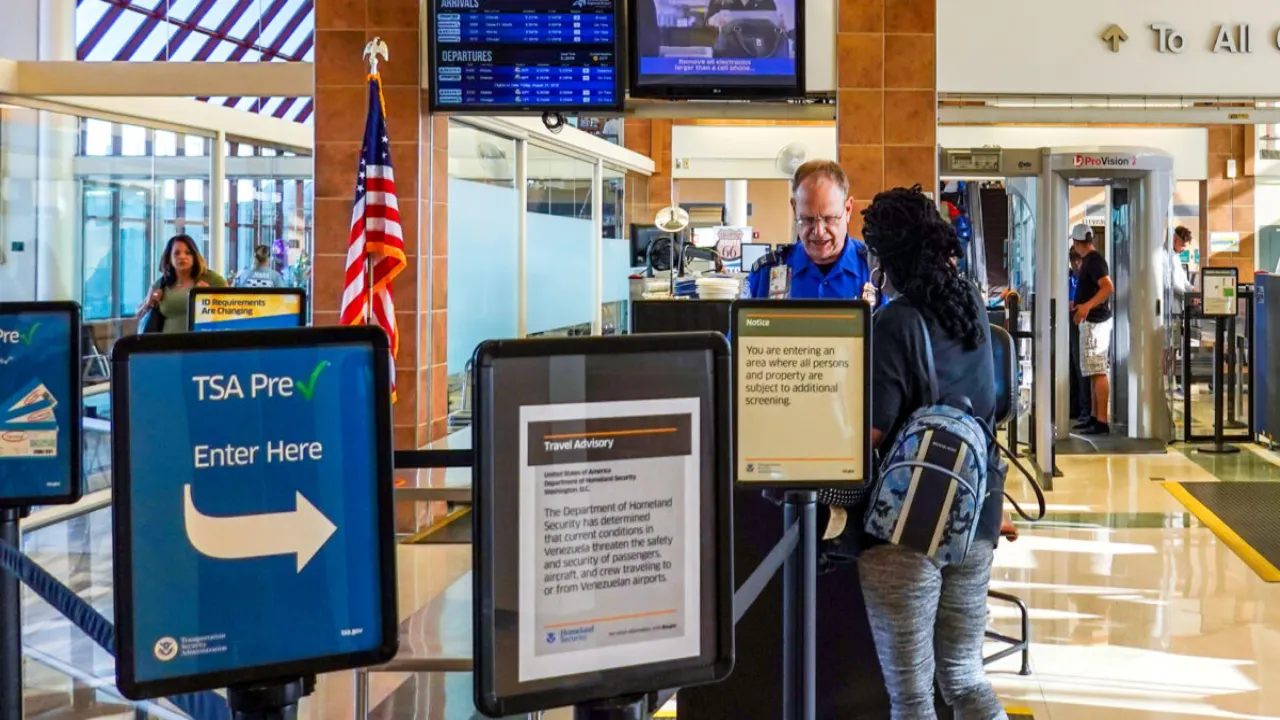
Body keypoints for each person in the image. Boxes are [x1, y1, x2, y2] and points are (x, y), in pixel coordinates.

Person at [855, 186, 1006, 720]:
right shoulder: (970, 305)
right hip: (976, 510)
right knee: (965, 677)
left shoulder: (894, 322)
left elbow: (870, 436)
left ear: (884, 257)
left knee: (913, 697)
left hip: (908, 527)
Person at [746, 159, 874, 302]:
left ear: (848, 209)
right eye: (808, 219)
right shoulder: (766, 272)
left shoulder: (874, 269)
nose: (818, 232)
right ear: (794, 209)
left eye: (829, 218)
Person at [1070, 224, 1114, 436]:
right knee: (1092, 371)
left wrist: (1086, 306)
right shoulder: (1091, 260)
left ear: (1077, 243)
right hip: (1090, 323)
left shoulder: (1094, 260)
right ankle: (1095, 418)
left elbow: (1108, 287)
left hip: (1096, 323)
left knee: (1098, 371)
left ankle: (1102, 421)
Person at [136, 234, 227, 334]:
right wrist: (149, 303)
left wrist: (211, 297)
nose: (182, 257)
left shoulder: (211, 279)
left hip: (201, 345)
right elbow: (139, 315)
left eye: (188, 253)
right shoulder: (161, 283)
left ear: (194, 256)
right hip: (166, 346)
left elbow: (232, 307)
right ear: (169, 258)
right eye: (176, 253)